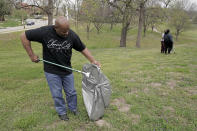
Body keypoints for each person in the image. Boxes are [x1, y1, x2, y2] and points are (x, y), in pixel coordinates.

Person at [20, 16, 101, 121]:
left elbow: (82, 48)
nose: (66, 33)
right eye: (63, 32)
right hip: (51, 71)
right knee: (57, 93)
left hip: (67, 69)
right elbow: (23, 36)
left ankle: (73, 108)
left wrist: (93, 61)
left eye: (67, 30)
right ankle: (61, 112)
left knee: (71, 92)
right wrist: (31, 55)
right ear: (55, 28)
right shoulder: (45, 32)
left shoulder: (71, 35)